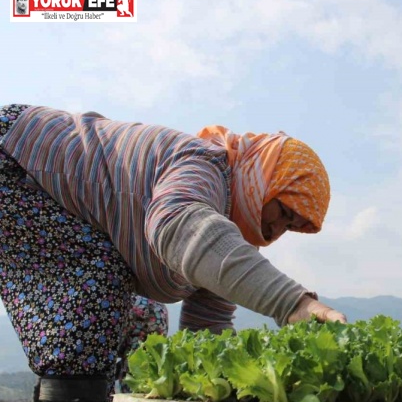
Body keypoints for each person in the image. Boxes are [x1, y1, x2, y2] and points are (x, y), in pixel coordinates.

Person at [0, 104, 346, 402]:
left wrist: (219, 383)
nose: (276, 230)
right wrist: (293, 303)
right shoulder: (205, 166)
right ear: (265, 176)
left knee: (145, 318)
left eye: (290, 227)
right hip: (16, 162)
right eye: (282, 213)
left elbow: (207, 331)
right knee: (91, 288)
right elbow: (181, 226)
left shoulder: (228, 242)